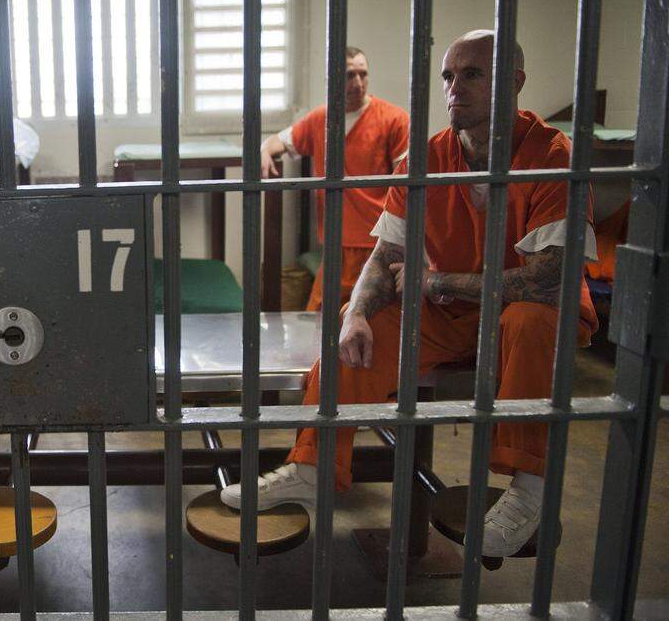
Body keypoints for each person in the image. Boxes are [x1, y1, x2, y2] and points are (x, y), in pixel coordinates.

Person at [224, 30, 599, 559]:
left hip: (525, 309)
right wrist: (355, 313)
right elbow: (387, 255)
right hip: (449, 308)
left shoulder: (554, 156)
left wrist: (438, 283)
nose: (454, 88)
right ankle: (311, 467)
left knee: (530, 319)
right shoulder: (424, 159)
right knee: (358, 330)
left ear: (514, 83)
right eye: (448, 76)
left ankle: (529, 491)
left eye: (473, 74)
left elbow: (549, 277)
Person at [260, 47, 410, 310]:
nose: (358, 83)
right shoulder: (321, 119)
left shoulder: (394, 120)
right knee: (319, 321)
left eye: (363, 74)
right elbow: (279, 140)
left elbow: (407, 184)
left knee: (375, 321)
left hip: (379, 242)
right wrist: (263, 150)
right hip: (337, 244)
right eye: (350, 75)